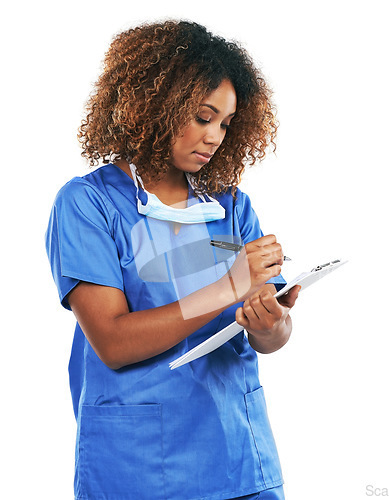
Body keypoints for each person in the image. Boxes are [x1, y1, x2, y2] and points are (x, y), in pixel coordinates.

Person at [45, 19, 300, 500]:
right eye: (203, 117)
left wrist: (270, 323)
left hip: (241, 461)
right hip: (138, 467)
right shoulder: (87, 206)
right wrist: (229, 286)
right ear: (153, 105)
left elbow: (272, 333)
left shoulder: (230, 206)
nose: (215, 137)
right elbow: (113, 341)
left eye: (226, 123)